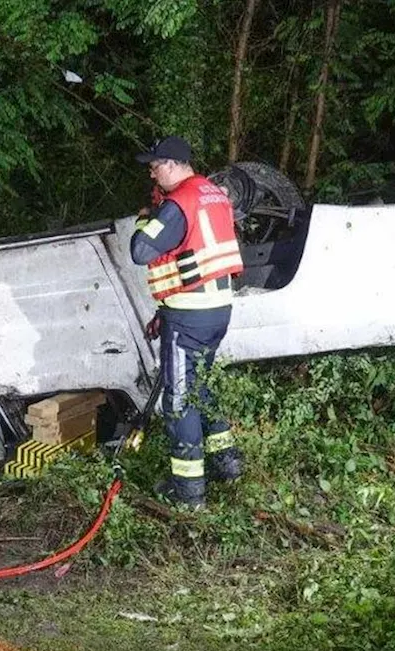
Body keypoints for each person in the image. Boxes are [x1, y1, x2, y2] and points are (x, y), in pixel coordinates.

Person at [130, 136, 245, 509]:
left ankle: (188, 491)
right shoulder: (214, 194)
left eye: (156, 165)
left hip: (190, 316)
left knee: (179, 400)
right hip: (215, 310)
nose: (152, 171)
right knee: (200, 388)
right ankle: (228, 465)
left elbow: (140, 250)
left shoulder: (179, 202)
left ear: (176, 164)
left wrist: (144, 221)